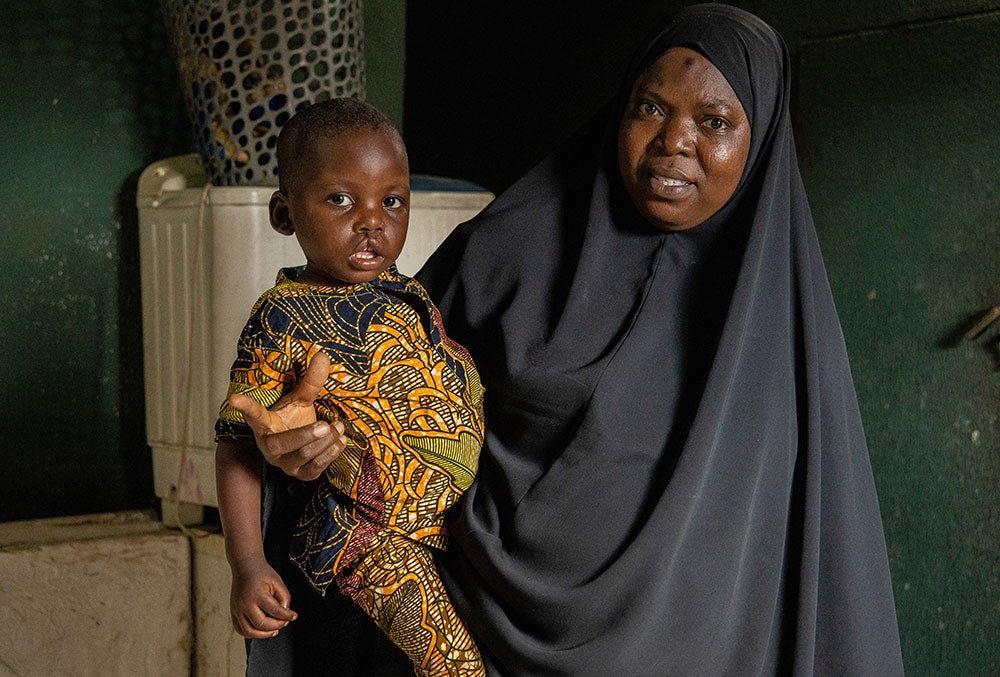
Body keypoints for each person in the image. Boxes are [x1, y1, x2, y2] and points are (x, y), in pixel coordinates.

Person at [247, 5, 905, 675]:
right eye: (650, 108)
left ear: (760, 140)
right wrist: (304, 446)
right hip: (461, 640)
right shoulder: (508, 249)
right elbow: (363, 394)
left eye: (714, 123)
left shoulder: (781, 340)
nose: (674, 141)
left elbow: (812, 588)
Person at [214, 97, 486, 676]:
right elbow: (239, 443)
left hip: (444, 535)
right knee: (453, 666)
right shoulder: (282, 317)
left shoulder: (408, 298)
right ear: (285, 214)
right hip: (357, 544)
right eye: (341, 199)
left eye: (392, 201)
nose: (372, 220)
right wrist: (247, 562)